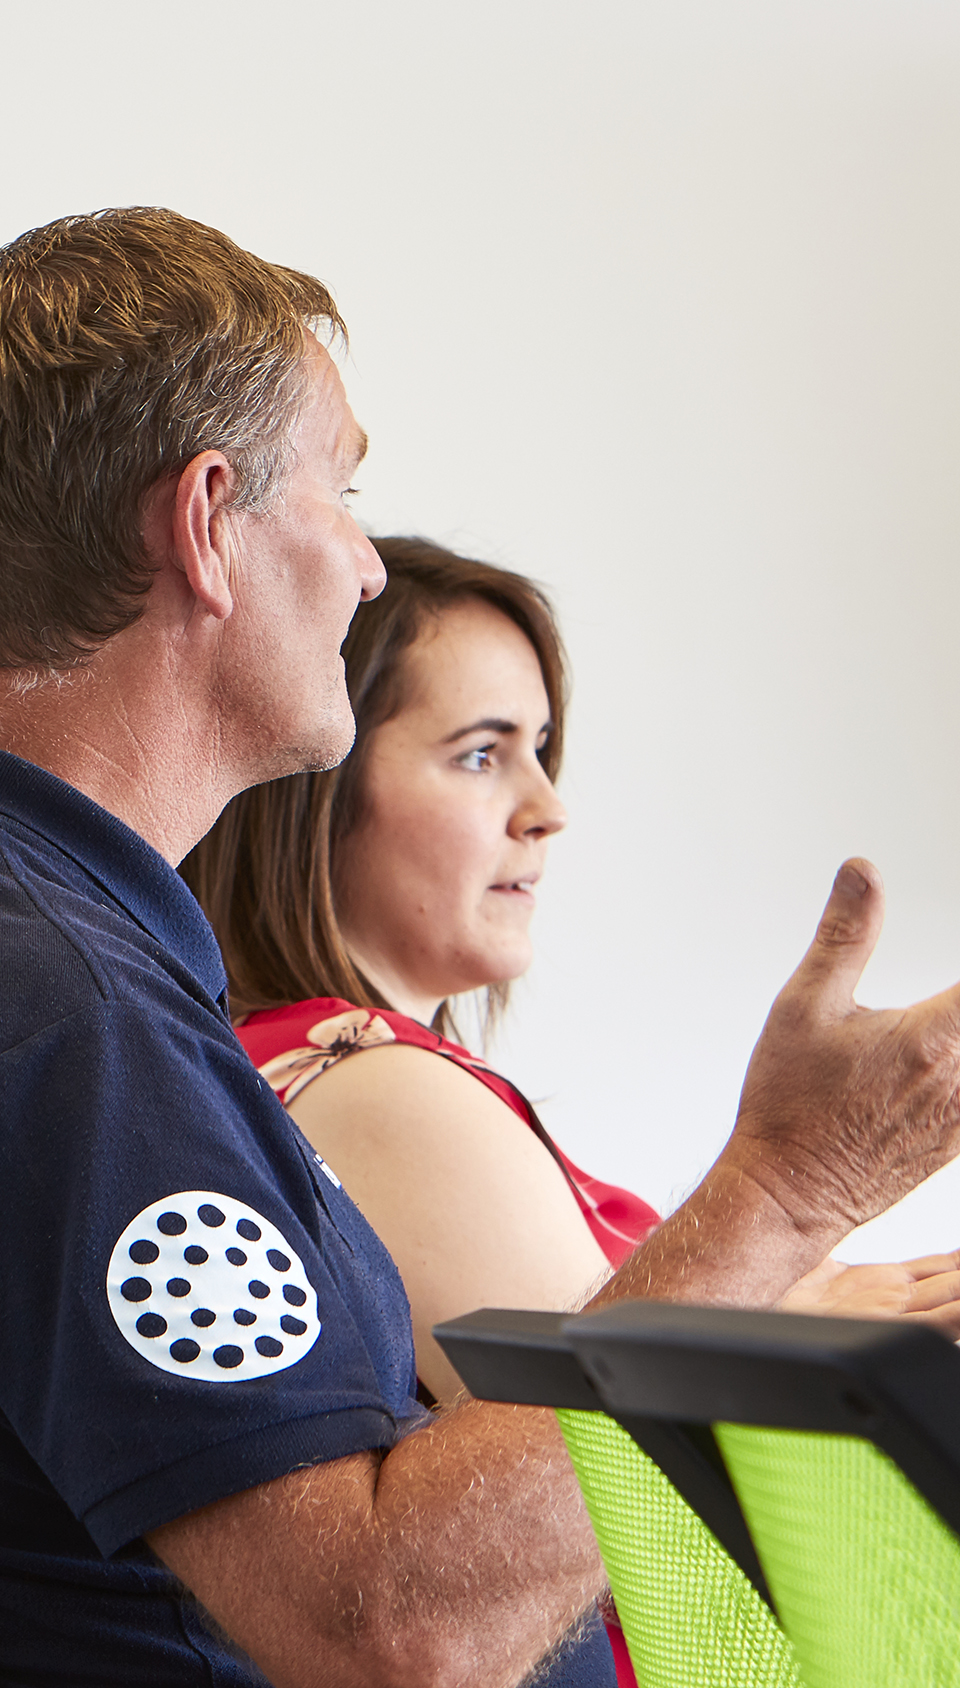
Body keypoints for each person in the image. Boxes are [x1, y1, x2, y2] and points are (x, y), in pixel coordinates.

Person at [0, 206, 960, 1688]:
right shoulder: (55, 1010)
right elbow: (394, 1636)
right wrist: (787, 1187)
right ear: (208, 524)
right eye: (343, 490)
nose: (368, 567)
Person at [178, 536, 960, 1685]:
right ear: (317, 790)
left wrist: (803, 1295)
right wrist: (807, 1284)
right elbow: (623, 1474)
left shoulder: (304, 1071)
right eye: (481, 753)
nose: (546, 808)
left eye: (540, 750)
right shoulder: (377, 1089)